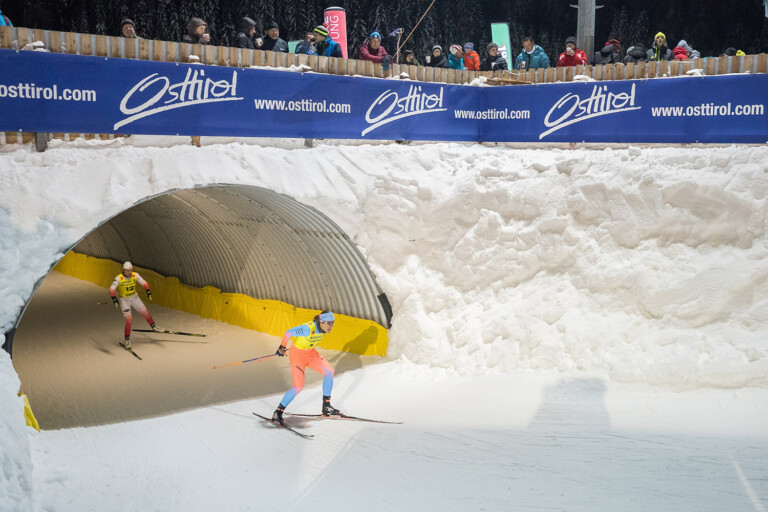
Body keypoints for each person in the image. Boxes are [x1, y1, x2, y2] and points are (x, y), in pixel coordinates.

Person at [271, 311, 341, 423]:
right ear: (322, 322)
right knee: (298, 386)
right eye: (329, 323)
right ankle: (278, 412)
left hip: (310, 354)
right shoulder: (307, 329)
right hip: (297, 356)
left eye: (333, 323)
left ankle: (326, 406)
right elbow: (288, 332)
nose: (331, 326)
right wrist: (282, 347)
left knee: (329, 372)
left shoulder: (323, 328)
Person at [109, 262, 159, 349]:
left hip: (135, 298)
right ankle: (127, 339)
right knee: (129, 320)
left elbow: (144, 283)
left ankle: (154, 326)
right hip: (125, 301)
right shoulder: (119, 278)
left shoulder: (135, 275)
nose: (130, 272)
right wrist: (114, 298)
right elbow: (111, 289)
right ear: (124, 270)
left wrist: (147, 290)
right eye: (128, 271)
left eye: (131, 270)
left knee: (145, 313)